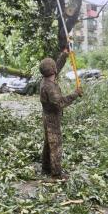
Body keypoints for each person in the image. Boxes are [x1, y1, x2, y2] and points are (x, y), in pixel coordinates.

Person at [39, 48, 82, 178]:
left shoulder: (46, 79)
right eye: (54, 68)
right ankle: (56, 174)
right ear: (53, 71)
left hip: (47, 117)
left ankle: (45, 168)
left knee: (48, 143)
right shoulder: (50, 87)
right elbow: (60, 103)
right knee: (55, 145)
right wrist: (76, 93)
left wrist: (64, 55)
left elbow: (56, 66)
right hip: (52, 119)